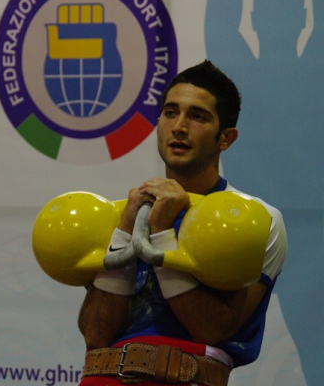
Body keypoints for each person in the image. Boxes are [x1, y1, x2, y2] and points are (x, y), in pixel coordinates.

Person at [76, 60, 287, 386]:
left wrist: (161, 234)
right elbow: (95, 334)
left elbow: (213, 328)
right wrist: (126, 230)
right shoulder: (123, 213)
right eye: (170, 113)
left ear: (226, 138)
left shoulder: (259, 220)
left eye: (197, 116)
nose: (179, 126)